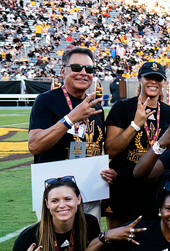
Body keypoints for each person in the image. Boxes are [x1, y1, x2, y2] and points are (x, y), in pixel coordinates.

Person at [27, 47, 116, 223]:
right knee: (55, 248)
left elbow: (96, 149)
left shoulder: (96, 107)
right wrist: (70, 119)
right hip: (56, 195)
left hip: (89, 192)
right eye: (76, 67)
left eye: (89, 69)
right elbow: (34, 145)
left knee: (89, 247)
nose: (83, 73)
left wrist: (106, 171)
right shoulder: (47, 100)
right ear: (63, 71)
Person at [104, 61, 170, 228]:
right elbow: (110, 150)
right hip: (122, 184)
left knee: (147, 240)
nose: (153, 82)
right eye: (149, 77)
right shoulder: (123, 107)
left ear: (163, 82)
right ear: (139, 79)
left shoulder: (166, 111)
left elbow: (168, 152)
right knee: (116, 244)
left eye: (158, 78)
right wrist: (135, 124)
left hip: (152, 187)